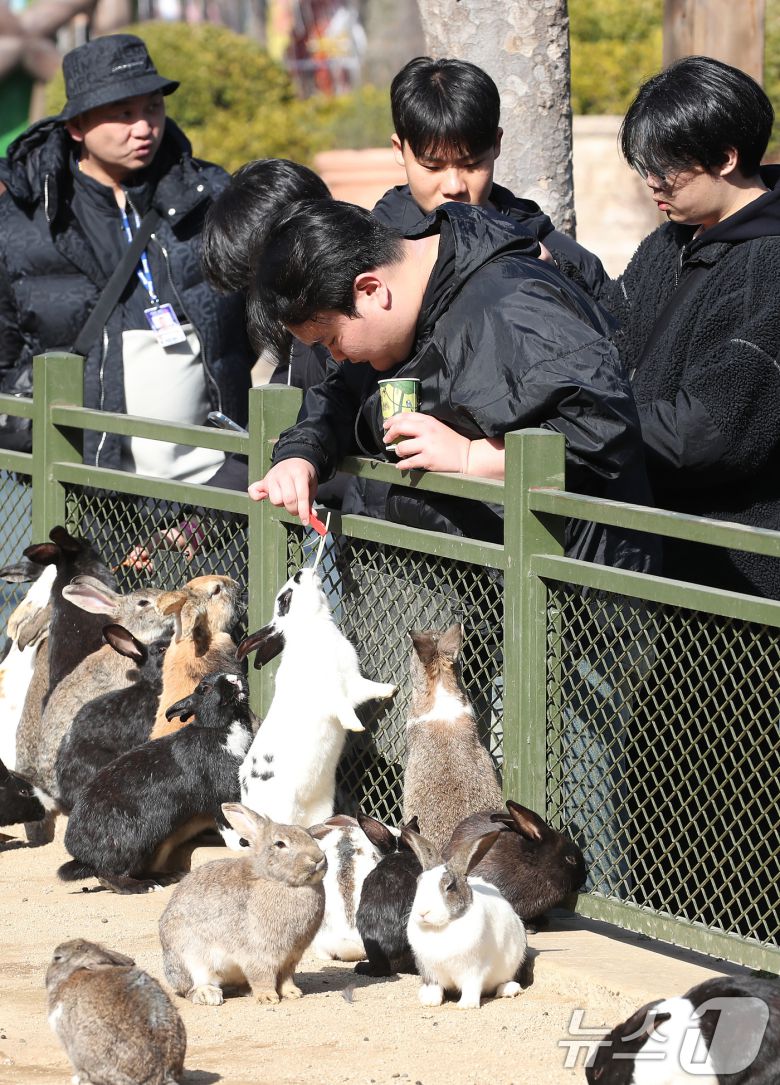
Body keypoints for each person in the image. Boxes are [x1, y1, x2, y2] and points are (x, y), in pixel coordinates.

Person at [246, 198, 659, 572]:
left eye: (331, 340)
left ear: (371, 290)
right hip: (482, 586)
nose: (335, 357)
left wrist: (468, 457)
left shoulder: (512, 304)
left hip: (575, 597)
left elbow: (605, 430)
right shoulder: (410, 310)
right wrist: (300, 455)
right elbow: (340, 395)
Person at [0, 33, 254, 480]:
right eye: (123, 114)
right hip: (82, 481)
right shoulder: (24, 218)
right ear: (76, 126)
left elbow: (262, 319)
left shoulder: (210, 196)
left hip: (215, 478)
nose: (144, 127)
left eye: (153, 107)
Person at [603, 55, 780, 598]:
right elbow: (606, 342)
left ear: (726, 157)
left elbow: (709, 431)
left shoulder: (770, 263)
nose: (651, 182)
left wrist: (585, 431)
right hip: (651, 550)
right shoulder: (668, 242)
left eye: (666, 167)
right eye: (644, 165)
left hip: (736, 574)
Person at [373, 55, 608, 298]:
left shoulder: (542, 243)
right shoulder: (374, 255)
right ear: (399, 150)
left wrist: (556, 275)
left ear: (496, 143)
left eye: (471, 164)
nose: (454, 186)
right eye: (432, 167)